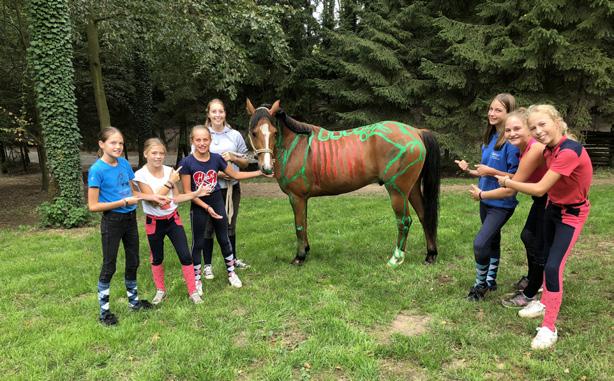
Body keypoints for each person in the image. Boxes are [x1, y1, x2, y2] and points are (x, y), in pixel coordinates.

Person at [495, 104, 592, 350]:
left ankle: (549, 326)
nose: (537, 131)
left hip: (571, 214)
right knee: (545, 256)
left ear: (557, 122)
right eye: (533, 127)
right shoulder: (550, 150)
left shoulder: (568, 151)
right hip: (553, 208)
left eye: (542, 124)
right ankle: (544, 301)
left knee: (553, 266)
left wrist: (508, 181)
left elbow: (539, 188)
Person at [87, 127, 168, 326]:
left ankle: (134, 302)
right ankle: (104, 313)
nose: (118, 147)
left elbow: (134, 192)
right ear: (102, 144)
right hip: (112, 221)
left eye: (121, 143)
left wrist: (153, 196)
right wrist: (123, 203)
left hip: (130, 219)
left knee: (133, 261)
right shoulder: (97, 170)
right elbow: (93, 206)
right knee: (109, 265)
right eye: (113, 143)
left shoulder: (123, 163)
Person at [467, 109, 547, 308]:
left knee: (482, 243)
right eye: (509, 130)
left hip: (552, 200)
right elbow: (516, 178)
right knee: (528, 237)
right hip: (539, 199)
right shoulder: (517, 146)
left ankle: (484, 285)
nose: (512, 133)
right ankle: (527, 281)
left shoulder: (527, 148)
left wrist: (482, 194)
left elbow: (511, 186)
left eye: (517, 128)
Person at [180, 125, 267, 294]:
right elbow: (188, 193)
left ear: (210, 140)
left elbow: (235, 175)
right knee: (198, 242)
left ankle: (231, 273)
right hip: (199, 206)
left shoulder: (216, 159)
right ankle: (197, 280)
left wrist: (260, 173)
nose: (202, 143)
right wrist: (206, 207)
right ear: (192, 141)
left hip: (217, 201)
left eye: (205, 139)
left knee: (224, 238)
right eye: (198, 140)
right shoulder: (186, 163)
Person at [455, 93, 519, 301]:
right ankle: (491, 280)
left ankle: (479, 285)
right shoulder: (489, 138)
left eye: (498, 110)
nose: (491, 113)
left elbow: (515, 177)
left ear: (509, 113)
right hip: (485, 200)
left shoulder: (511, 143)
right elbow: (484, 171)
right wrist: (469, 171)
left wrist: (490, 171)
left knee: (480, 243)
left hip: (502, 203)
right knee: (493, 239)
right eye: (490, 109)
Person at [133, 138, 212, 306]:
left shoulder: (170, 171)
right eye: (154, 153)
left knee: (185, 255)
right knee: (157, 257)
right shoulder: (140, 175)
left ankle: (193, 291)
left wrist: (195, 193)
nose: (158, 156)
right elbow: (155, 200)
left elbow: (176, 197)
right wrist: (170, 181)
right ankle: (160, 290)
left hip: (172, 220)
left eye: (161, 153)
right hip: (154, 223)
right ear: (145, 154)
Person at [201, 99, 250, 280]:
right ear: (209, 114)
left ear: (225, 113)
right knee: (209, 227)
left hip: (232, 189)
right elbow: (198, 163)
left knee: (230, 224)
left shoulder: (235, 135)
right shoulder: (203, 135)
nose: (217, 115)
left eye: (220, 111)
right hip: (209, 190)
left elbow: (245, 161)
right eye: (214, 111)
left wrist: (234, 159)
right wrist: (221, 174)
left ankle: (233, 259)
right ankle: (207, 266)